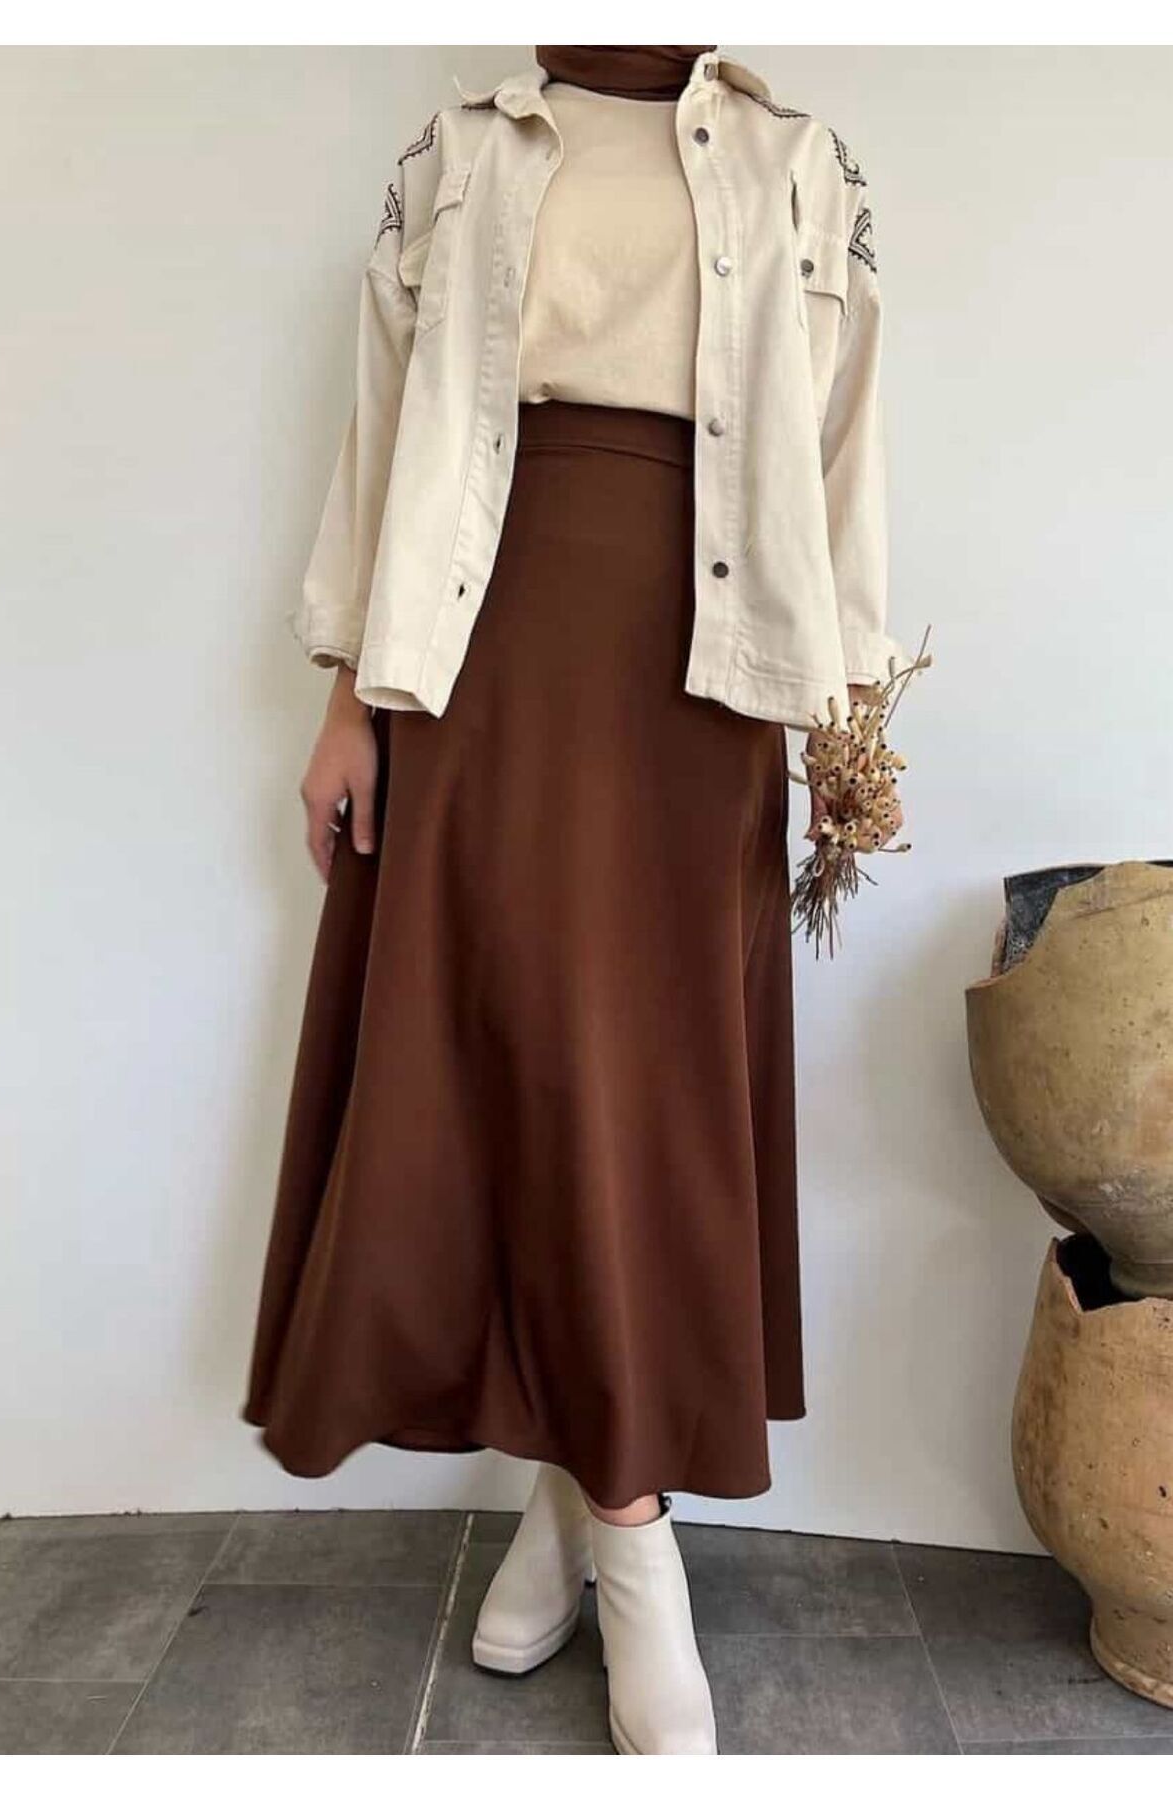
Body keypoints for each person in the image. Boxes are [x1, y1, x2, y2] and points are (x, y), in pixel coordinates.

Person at [242, 44, 907, 1755]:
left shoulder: (804, 159)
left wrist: (850, 716)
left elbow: (844, 439)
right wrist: (347, 701)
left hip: (714, 662)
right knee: (516, 1066)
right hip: (484, 636)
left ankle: (575, 1503)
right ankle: (633, 1540)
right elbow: (383, 422)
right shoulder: (459, 148)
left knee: (649, 1099)